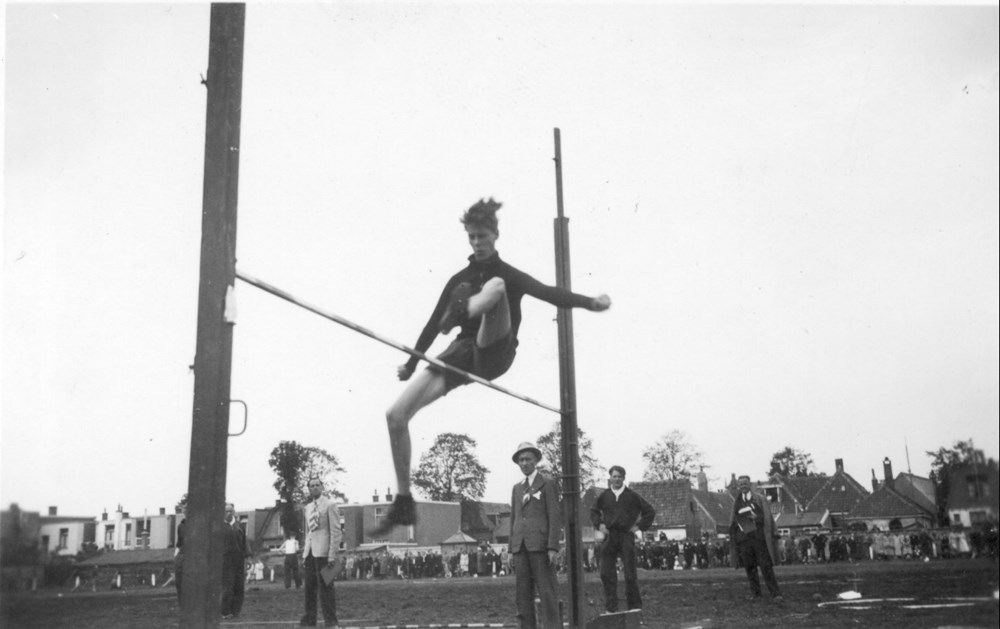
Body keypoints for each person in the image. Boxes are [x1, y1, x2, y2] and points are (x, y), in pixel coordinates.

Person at [375, 199, 611, 533]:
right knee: (395, 416)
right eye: (471, 237)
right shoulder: (460, 278)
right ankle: (403, 501)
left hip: (496, 350)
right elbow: (431, 326)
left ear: (495, 235)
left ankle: (463, 312)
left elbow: (548, 293)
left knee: (496, 287)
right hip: (461, 354)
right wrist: (412, 364)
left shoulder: (509, 274)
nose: (477, 243)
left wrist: (590, 303)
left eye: (482, 236)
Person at [509, 441, 561, 629]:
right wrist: (510, 549)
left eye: (528, 459)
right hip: (520, 548)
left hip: (541, 547)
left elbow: (554, 517)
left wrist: (553, 547)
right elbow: (514, 519)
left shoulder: (547, 483)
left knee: (547, 594)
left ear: (536, 460)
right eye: (521, 460)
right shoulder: (517, 488)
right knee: (522, 596)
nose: (524, 463)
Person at [589, 465, 656, 613]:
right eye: (614, 476)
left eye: (619, 476)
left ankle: (634, 607)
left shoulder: (632, 496)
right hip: (610, 536)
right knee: (606, 573)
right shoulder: (604, 496)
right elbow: (593, 511)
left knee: (630, 573)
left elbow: (650, 511)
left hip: (626, 535)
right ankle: (611, 608)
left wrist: (638, 527)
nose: (617, 479)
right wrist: (599, 525)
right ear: (610, 478)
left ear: (624, 478)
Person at [728, 475, 782, 601]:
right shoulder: (736, 502)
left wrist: (755, 517)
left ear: (750, 484)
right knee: (749, 567)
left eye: (745, 483)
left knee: (766, 566)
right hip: (744, 540)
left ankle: (775, 593)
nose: (743, 486)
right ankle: (756, 594)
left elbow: (767, 518)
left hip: (759, 539)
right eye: (741, 484)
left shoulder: (759, 499)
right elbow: (733, 520)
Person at [300, 478, 343, 628]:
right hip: (311, 554)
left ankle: (331, 623)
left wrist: (332, 554)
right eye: (312, 486)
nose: (315, 488)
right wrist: (305, 554)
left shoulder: (330, 505)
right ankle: (309, 622)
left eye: (317, 485)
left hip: (325, 554)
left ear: (322, 487)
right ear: (309, 489)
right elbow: (309, 532)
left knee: (327, 590)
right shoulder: (308, 508)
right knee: (309, 590)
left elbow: (336, 532)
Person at [221, 502, 249, 619]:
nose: (228, 513)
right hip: (225, 561)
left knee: (239, 587)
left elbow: (244, 544)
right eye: (226, 511)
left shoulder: (239, 526)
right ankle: (225, 611)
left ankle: (235, 611)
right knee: (227, 587)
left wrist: (247, 558)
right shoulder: (219, 526)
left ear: (234, 512)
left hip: (239, 560)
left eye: (230, 511)